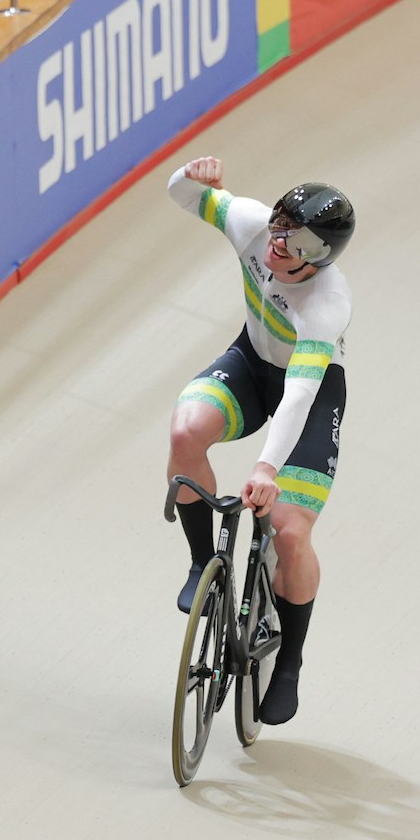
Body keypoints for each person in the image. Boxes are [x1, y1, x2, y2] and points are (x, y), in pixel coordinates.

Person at [164, 155, 355, 726]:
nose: (283, 245)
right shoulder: (250, 225)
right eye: (282, 226)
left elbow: (297, 396)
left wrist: (267, 469)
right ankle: (204, 566)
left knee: (292, 534)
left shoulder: (327, 304)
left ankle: (290, 663)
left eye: (303, 244)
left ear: (321, 261)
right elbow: (181, 194)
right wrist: (190, 174)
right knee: (185, 430)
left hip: (311, 389)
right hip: (252, 361)